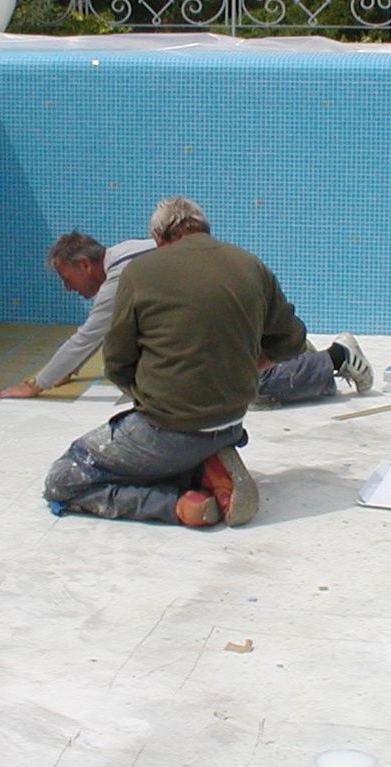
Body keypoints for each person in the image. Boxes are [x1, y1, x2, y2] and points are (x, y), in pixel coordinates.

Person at [41, 197, 318, 526]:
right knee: (164, 446)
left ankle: (180, 506)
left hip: (169, 430)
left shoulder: (141, 272)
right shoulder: (251, 265)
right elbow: (292, 339)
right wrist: (249, 366)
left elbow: (116, 364)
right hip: (230, 423)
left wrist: (149, 395)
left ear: (158, 237)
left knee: (64, 478)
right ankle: (207, 464)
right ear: (203, 228)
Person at [0, 233, 372, 403]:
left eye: (67, 278)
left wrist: (37, 384)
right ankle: (294, 353)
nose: (67, 288)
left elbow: (87, 336)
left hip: (230, 315)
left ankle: (336, 357)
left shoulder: (119, 279)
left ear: (86, 265)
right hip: (240, 304)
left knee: (244, 388)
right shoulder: (127, 250)